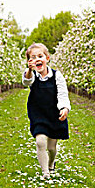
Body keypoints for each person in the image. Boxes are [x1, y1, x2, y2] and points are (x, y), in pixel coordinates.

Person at [22, 43, 70, 180]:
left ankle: (51, 163)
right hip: (38, 114)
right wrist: (29, 70)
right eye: (33, 57)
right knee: (40, 141)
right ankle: (45, 173)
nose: (37, 59)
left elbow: (62, 93)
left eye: (40, 56)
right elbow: (26, 82)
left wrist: (64, 108)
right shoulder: (32, 75)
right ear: (29, 62)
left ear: (47, 58)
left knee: (51, 147)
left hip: (54, 114)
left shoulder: (56, 75)